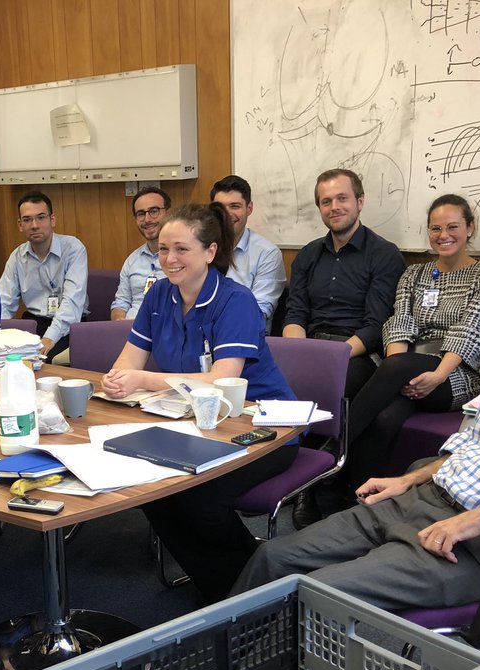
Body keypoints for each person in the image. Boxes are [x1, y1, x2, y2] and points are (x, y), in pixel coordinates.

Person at [232, 219, 480, 611]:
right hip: (427, 496)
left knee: (315, 594)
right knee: (272, 558)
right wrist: (410, 479)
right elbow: (475, 437)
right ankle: (216, 666)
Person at [102, 204, 298, 601]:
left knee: (201, 500)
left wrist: (142, 379)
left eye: (181, 250)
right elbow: (130, 360)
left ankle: (243, 588)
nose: (169, 260)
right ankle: (230, 583)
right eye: (161, 250)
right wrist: (117, 379)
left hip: (261, 427)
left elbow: (221, 381)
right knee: (154, 495)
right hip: (192, 424)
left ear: (210, 252)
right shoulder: (159, 294)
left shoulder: (235, 301)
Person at [334, 195, 480, 497]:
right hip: (405, 366)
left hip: (455, 372)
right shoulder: (415, 274)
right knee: (384, 420)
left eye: (452, 227)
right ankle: (353, 495)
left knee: (392, 375)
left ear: (470, 228)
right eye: (435, 228)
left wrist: (435, 375)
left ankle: (331, 450)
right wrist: (395, 371)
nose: (443, 235)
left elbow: (469, 329)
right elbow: (400, 321)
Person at [283, 168, 406, 399]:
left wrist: (333, 356)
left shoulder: (384, 255)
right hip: (310, 347)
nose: (334, 207)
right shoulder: (308, 255)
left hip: (357, 354)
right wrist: (298, 354)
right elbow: (296, 314)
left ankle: (328, 437)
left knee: (326, 386)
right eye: (326, 201)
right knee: (270, 380)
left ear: (360, 201)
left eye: (342, 198)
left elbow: (376, 325)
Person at [0, 191, 89, 359]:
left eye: (41, 217)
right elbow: (3, 302)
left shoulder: (73, 249)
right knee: (7, 357)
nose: (34, 225)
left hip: (69, 326)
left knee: (46, 358)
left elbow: (72, 303)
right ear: (20, 225)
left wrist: (49, 338)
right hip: (34, 324)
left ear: (52, 219)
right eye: (27, 220)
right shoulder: (17, 257)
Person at [210, 175, 286, 326]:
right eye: (221, 207)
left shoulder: (267, 253)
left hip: (244, 336)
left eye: (235, 206)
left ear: (249, 208)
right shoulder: (201, 247)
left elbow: (259, 312)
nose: (227, 214)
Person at [110, 187, 170, 320]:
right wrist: (118, 322)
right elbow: (121, 303)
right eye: (141, 214)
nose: (147, 219)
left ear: (168, 213)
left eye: (154, 211)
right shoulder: (132, 261)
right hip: (130, 333)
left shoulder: (181, 258)